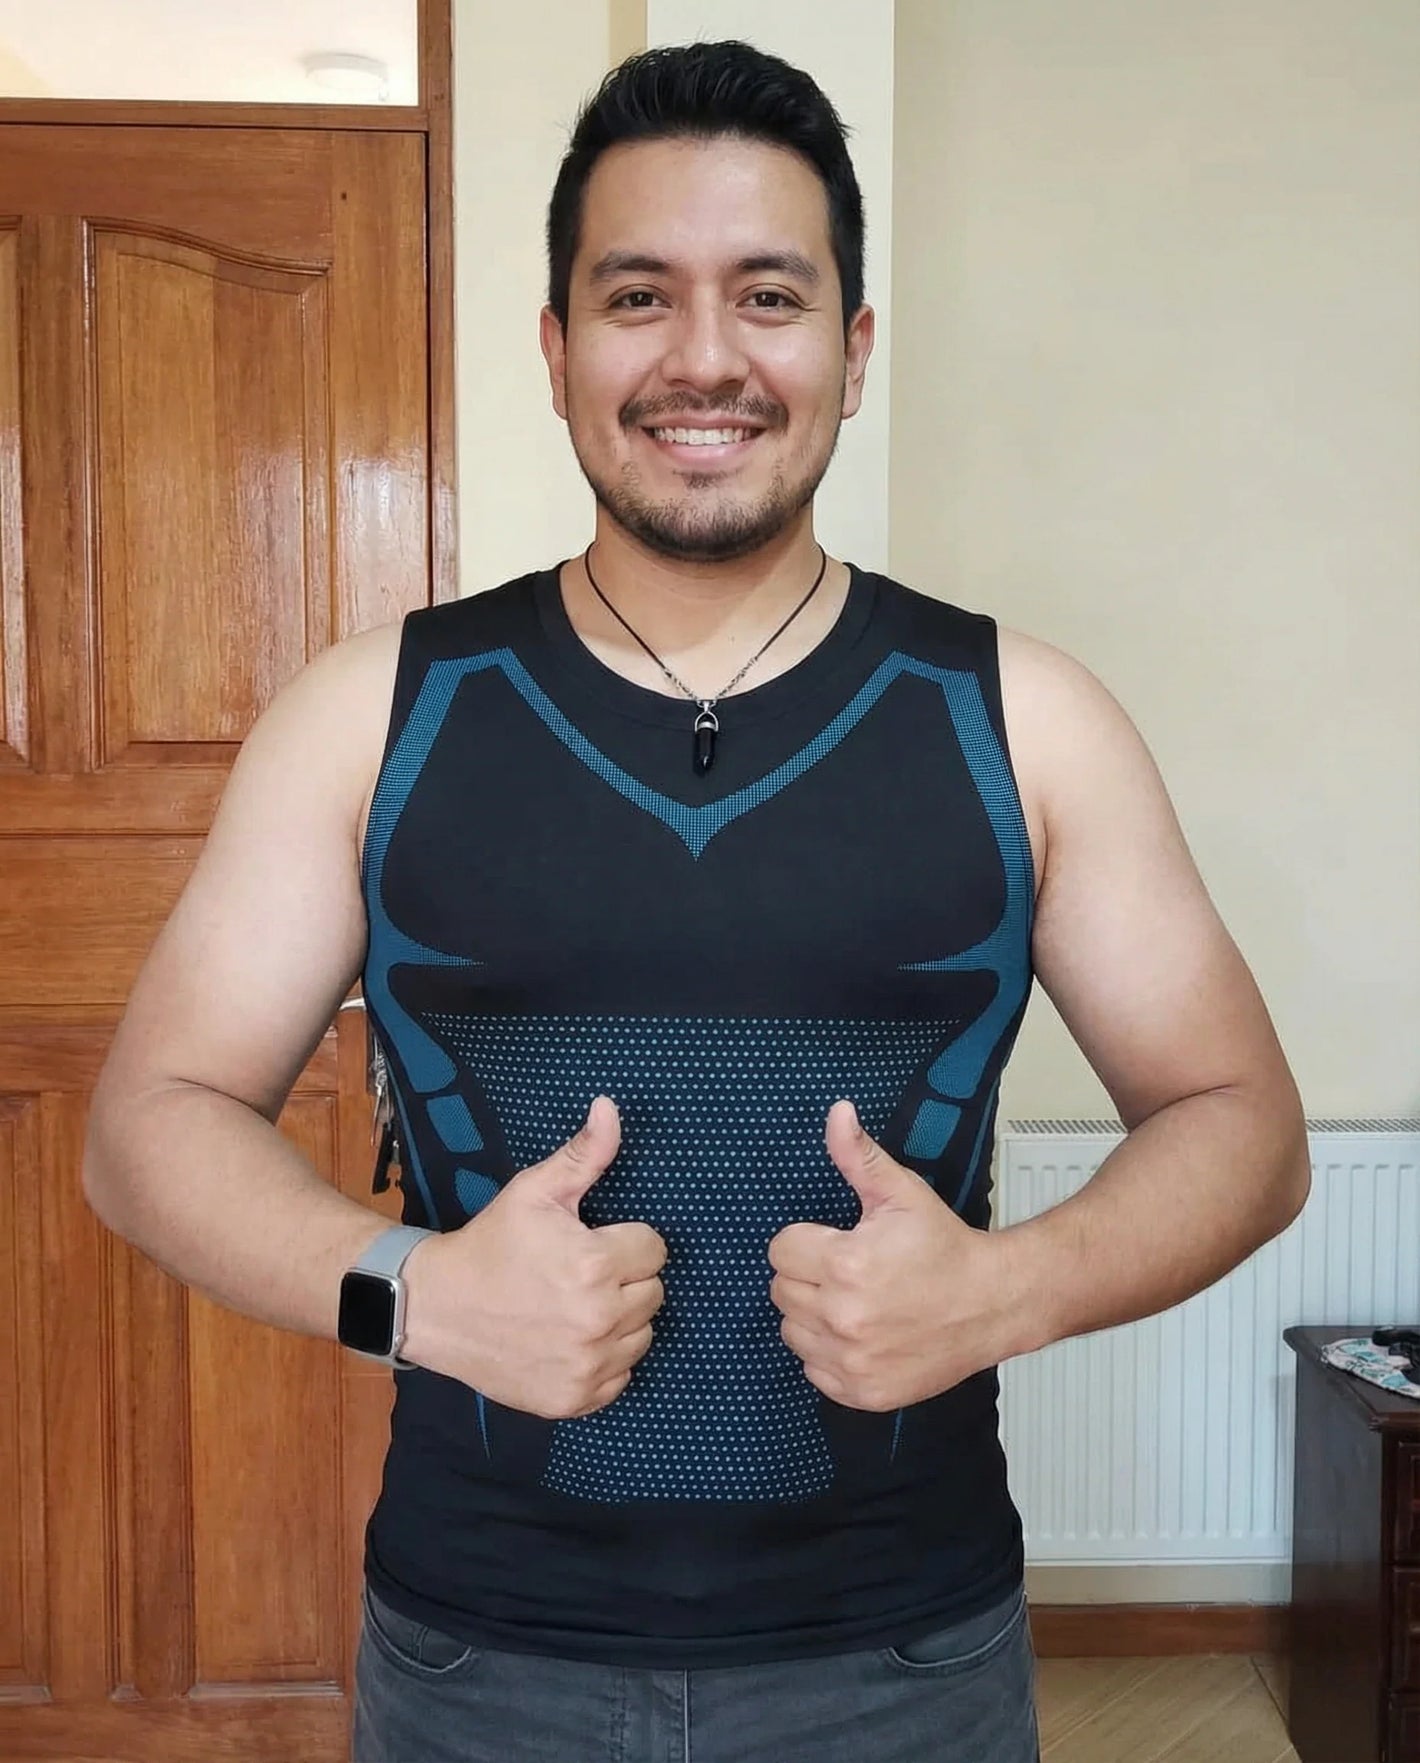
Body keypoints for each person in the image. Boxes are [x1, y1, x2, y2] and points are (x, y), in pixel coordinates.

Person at [82, 39, 1311, 1763]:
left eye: (771, 295)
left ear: (854, 351)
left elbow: (1245, 1124)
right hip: (479, 1668)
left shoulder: (1027, 722)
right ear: (557, 349)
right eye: (640, 295)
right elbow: (148, 1123)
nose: (707, 357)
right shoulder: (371, 717)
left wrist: (1010, 1291)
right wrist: (411, 1294)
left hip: (904, 1669)